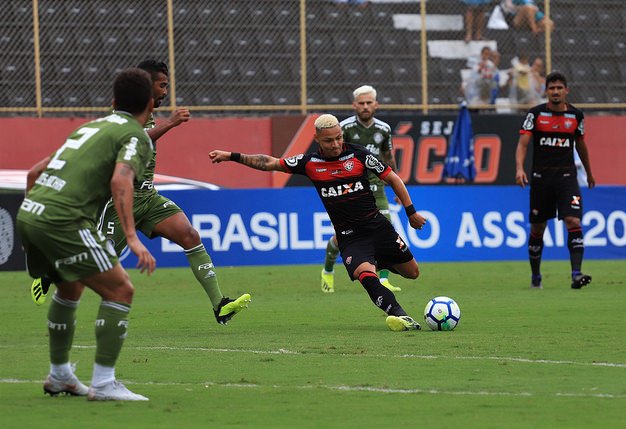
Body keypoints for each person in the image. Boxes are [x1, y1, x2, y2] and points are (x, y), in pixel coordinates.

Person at [32, 60, 251, 326]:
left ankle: (220, 305)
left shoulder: (148, 114)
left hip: (149, 198)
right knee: (99, 263)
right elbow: (137, 139)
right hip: (120, 201)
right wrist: (171, 123)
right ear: (147, 85)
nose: (165, 92)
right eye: (162, 85)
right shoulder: (122, 113)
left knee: (190, 235)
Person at [209, 114, 427, 331]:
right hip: (350, 237)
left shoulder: (359, 155)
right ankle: (400, 316)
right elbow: (270, 163)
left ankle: (377, 261)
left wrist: (411, 212)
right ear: (317, 139)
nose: (336, 144)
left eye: (339, 138)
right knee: (365, 275)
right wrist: (231, 156)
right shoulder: (310, 163)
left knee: (413, 273)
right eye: (329, 140)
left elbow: (392, 177)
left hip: (378, 228)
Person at [17, 68, 156, 401]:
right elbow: (121, 180)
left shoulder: (90, 127)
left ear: (113, 102)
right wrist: (132, 237)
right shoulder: (137, 136)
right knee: (120, 290)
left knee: (70, 286)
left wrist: (33, 227)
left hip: (31, 213)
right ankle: (104, 383)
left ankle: (60, 376)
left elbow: (34, 173)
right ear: (151, 104)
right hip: (63, 221)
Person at [515, 71, 595, 290]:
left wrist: (589, 173)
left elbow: (581, 145)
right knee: (539, 226)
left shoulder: (576, 116)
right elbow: (522, 144)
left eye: (559, 88)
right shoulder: (535, 115)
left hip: (567, 177)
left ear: (566, 90)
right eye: (552, 88)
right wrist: (519, 168)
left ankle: (576, 274)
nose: (556, 91)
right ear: (546, 91)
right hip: (541, 178)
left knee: (573, 221)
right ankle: (536, 277)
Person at [321, 85, 401, 294]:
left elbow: (388, 158)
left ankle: (384, 279)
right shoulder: (345, 128)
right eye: (361, 103)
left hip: (377, 188)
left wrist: (397, 187)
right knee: (342, 236)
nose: (365, 106)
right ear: (355, 105)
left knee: (388, 232)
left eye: (369, 103)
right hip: (351, 190)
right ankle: (328, 270)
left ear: (376, 105)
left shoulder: (384, 129)